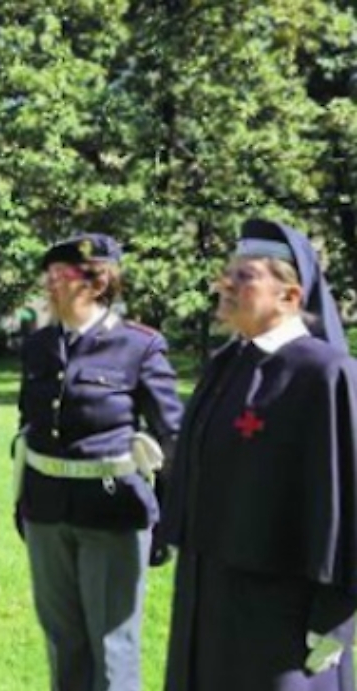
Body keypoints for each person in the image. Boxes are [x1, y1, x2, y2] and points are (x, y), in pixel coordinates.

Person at [162, 219, 357, 691]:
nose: (225, 284)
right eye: (227, 272)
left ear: (290, 296)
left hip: (280, 618)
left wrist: (337, 621)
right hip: (206, 600)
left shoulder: (325, 375)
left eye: (245, 276)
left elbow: (350, 504)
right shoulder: (226, 364)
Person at [15, 233, 182, 691]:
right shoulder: (39, 345)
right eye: (47, 275)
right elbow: (28, 428)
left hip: (112, 511)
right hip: (46, 508)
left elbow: (171, 438)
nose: (49, 284)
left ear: (96, 283)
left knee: (112, 644)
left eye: (61, 276)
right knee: (62, 641)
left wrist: (168, 519)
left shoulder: (138, 346)